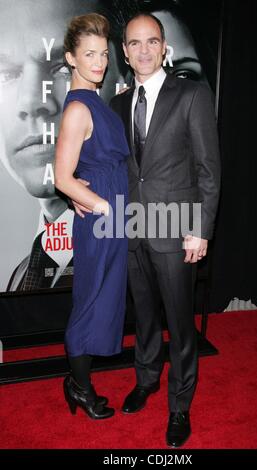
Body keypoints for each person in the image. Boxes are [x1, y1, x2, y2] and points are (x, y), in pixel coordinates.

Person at [110, 13, 221, 446]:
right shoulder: (118, 104)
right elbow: (121, 170)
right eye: (134, 43)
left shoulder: (191, 94)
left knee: (180, 321)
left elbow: (209, 169)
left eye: (151, 42)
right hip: (133, 226)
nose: (143, 50)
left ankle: (180, 404)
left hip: (177, 229)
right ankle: (147, 378)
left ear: (163, 47)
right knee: (145, 316)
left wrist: (201, 229)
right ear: (125, 50)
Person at [0, 0, 126, 292]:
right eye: (5, 74)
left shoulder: (133, 254)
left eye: (64, 67)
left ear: (124, 81)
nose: (31, 102)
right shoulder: (22, 272)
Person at [54, 13, 129, 419]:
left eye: (102, 53)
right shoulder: (79, 109)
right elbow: (64, 178)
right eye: (89, 54)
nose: (99, 63)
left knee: (103, 299)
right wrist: (103, 206)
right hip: (103, 219)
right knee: (88, 301)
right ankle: (79, 386)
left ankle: (78, 381)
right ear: (71, 58)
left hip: (113, 216)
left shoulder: (95, 101)